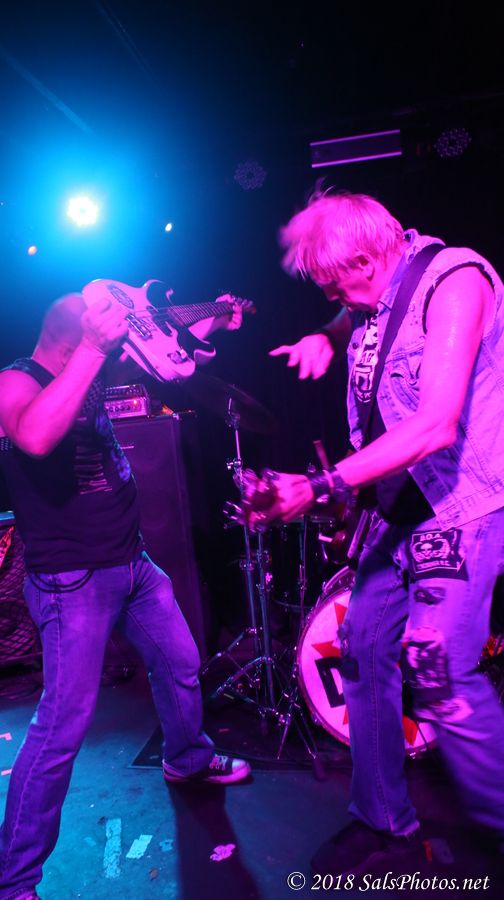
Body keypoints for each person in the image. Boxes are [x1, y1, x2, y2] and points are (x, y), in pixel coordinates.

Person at [259, 190, 504, 875]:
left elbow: (435, 426)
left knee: (439, 668)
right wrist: (325, 335)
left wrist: (318, 486)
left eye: (336, 283)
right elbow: (360, 315)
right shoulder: (377, 288)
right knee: (363, 651)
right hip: (394, 512)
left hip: (460, 509)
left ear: (370, 257)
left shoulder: (456, 281)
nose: (334, 296)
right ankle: (382, 819)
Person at [0, 289, 250, 900]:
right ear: (71, 339)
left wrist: (209, 321)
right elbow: (37, 437)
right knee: (61, 730)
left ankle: (187, 757)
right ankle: (7, 882)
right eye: (100, 339)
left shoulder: (93, 366)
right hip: (70, 582)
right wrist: (93, 351)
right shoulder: (13, 383)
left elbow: (166, 353)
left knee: (180, 661)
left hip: (132, 566)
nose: (115, 347)